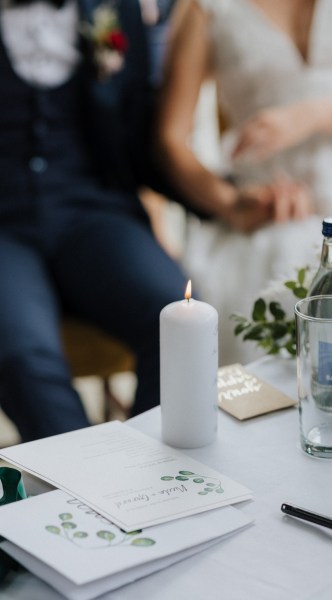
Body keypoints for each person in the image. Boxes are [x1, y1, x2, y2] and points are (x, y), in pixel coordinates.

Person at [156, 0, 332, 365]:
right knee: (289, 292)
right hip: (279, 201)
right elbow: (171, 138)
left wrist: (312, 113)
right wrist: (230, 202)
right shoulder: (203, 9)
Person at [0, 0, 191, 442]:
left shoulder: (116, 7)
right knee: (22, 355)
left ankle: (150, 476)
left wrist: (225, 201)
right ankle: (87, 490)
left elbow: (143, 135)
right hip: (4, 230)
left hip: (92, 210)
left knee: (175, 317)